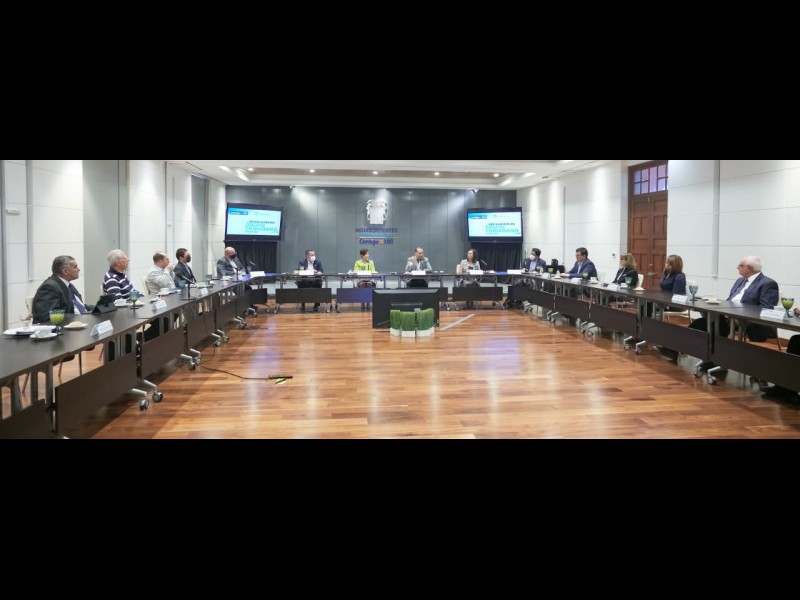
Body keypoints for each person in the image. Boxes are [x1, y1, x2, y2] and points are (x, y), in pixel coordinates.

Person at [660, 256, 779, 363]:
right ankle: (679, 349)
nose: (737, 268)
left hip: (746, 322)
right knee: (700, 323)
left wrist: (737, 311)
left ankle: (715, 360)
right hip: (727, 316)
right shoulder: (740, 280)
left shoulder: (767, 283)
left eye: (740, 266)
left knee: (714, 326)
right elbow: (730, 300)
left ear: (749, 268)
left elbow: (765, 309)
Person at [32, 256, 93, 322]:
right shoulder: (49, 287)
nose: (78, 269)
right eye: (75, 267)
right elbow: (49, 317)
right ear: (65, 271)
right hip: (67, 326)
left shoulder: (68, 285)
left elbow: (79, 306)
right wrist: (78, 317)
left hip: (80, 321)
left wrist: (97, 309)